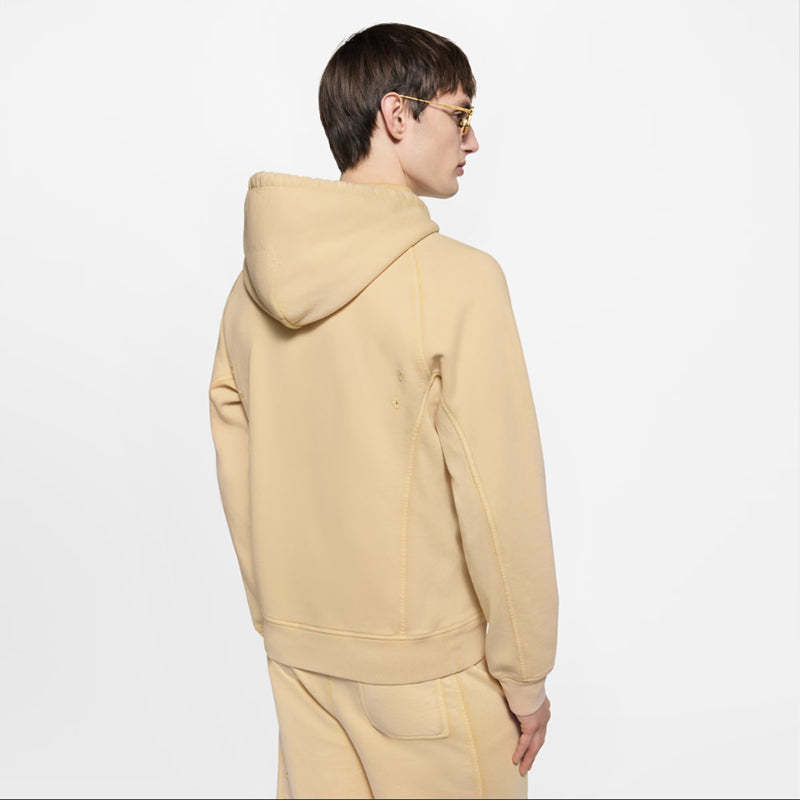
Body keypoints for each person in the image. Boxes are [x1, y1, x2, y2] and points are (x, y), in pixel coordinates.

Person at [208, 21, 559, 799]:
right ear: (397, 115)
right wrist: (525, 674)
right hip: (430, 675)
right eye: (459, 114)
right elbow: (499, 497)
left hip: (302, 663)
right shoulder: (459, 281)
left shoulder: (248, 292)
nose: (472, 140)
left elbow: (237, 466)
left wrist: (284, 617)